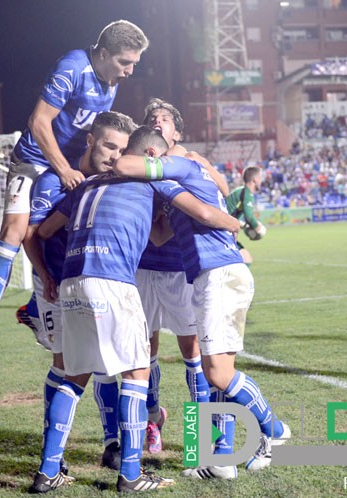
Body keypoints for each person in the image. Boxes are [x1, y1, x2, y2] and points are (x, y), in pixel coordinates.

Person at [26, 127, 240, 492]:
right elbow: (203, 211)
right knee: (140, 373)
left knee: (74, 376)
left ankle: (48, 472)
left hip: (73, 281)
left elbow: (44, 231)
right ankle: (131, 473)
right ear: (151, 156)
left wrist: (50, 274)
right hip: (116, 280)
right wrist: (237, 226)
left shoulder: (86, 185)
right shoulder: (153, 182)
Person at [114, 128, 291, 481]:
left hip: (218, 276)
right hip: (211, 276)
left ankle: (274, 430)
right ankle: (219, 460)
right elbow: (162, 234)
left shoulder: (177, 167)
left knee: (217, 374)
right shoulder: (175, 181)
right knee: (217, 374)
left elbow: (123, 166)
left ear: (153, 153)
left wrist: (231, 222)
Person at [0, 20, 149, 356]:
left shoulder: (110, 82)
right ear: (104, 53)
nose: (129, 71)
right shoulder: (73, 68)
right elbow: (38, 122)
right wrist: (64, 168)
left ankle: (36, 309)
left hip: (65, 166)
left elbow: (96, 134)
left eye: (134, 63)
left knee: (69, 231)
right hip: (35, 160)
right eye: (125, 62)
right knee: (14, 232)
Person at [22, 111, 136, 492]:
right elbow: (31, 234)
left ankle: (109, 446)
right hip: (57, 282)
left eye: (121, 149)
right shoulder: (58, 180)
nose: (114, 155)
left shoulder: (106, 181)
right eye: (108, 145)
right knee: (68, 366)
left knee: (98, 365)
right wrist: (46, 277)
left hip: (79, 280)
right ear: (90, 141)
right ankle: (55, 456)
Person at [135, 98, 227, 454]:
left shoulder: (188, 161)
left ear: (176, 130)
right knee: (145, 350)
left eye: (165, 118)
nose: (158, 122)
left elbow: (222, 190)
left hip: (178, 267)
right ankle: (153, 418)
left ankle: (198, 434)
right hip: (142, 266)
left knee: (192, 351)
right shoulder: (140, 162)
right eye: (152, 118)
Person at [225, 165, 266, 265]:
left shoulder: (241, 191)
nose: (261, 181)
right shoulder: (246, 193)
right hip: (223, 232)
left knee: (244, 258)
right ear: (255, 179)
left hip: (223, 230)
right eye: (260, 178)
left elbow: (231, 213)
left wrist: (244, 226)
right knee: (246, 259)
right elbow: (249, 216)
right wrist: (258, 229)